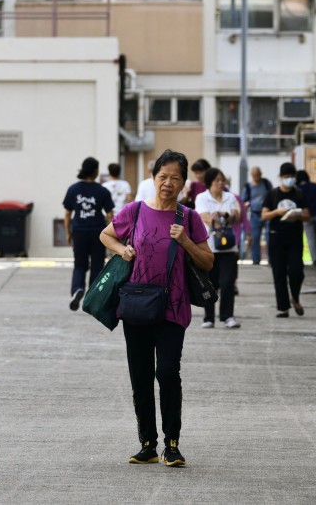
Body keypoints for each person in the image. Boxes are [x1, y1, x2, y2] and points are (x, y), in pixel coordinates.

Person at [100, 149, 212, 468]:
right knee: (140, 376)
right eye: (163, 177)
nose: (168, 183)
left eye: (175, 178)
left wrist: (187, 242)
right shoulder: (134, 212)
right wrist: (123, 249)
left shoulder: (188, 218)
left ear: (183, 183)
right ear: (153, 178)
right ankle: (147, 444)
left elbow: (208, 261)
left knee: (167, 372)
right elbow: (106, 235)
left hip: (173, 308)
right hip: (136, 305)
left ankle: (172, 444)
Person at [63, 157, 115, 311]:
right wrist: (112, 234)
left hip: (79, 231)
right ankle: (92, 298)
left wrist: (68, 232)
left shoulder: (73, 189)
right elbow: (110, 215)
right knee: (97, 266)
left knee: (79, 265)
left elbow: (67, 214)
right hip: (98, 232)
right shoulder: (102, 190)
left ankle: (78, 289)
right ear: (95, 171)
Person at [194, 168, 243, 329]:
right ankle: (209, 317)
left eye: (223, 180)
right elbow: (205, 218)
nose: (221, 183)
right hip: (208, 247)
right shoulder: (202, 197)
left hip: (228, 247)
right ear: (209, 183)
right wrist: (221, 218)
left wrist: (226, 215)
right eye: (217, 180)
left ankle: (227, 316)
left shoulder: (230, 197)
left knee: (228, 282)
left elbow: (237, 216)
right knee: (210, 283)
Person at [262, 162, 309, 317]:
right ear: (280, 177)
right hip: (277, 237)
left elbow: (307, 215)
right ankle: (283, 307)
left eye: (292, 176)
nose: (289, 179)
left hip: (295, 238)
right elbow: (264, 215)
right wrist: (277, 212)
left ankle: (295, 297)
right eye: (286, 177)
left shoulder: (300, 194)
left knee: (297, 271)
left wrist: (297, 215)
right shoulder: (273, 194)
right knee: (279, 273)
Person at [241, 166, 273, 264]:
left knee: (269, 236)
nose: (256, 177)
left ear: (260, 174)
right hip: (255, 214)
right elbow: (244, 200)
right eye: (254, 175)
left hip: (267, 212)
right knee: (255, 237)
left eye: (258, 175)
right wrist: (246, 204)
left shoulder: (266, 184)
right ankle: (255, 259)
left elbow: (272, 195)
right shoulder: (248, 186)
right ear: (251, 175)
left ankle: (271, 259)